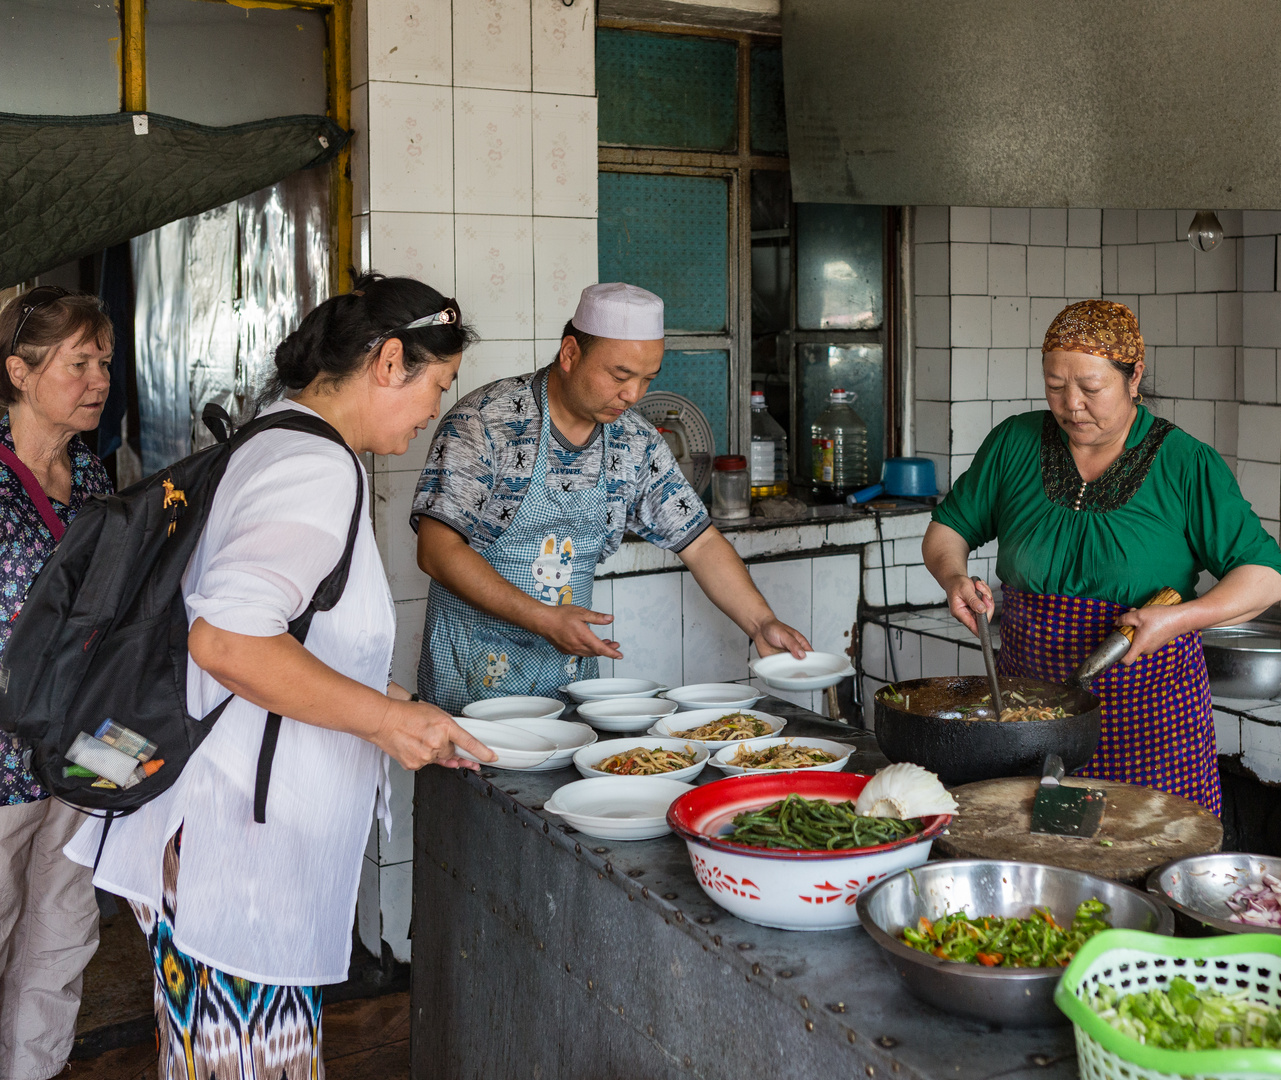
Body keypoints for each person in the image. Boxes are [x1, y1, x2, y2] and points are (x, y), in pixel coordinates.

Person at [65, 274, 495, 1078]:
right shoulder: (314, 467)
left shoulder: (276, 439)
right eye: (436, 386)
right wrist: (386, 724)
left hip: (223, 840)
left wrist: (404, 706)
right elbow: (227, 642)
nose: (433, 409)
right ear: (390, 361)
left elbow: (294, 636)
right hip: (236, 850)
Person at [921, 300, 1281, 815]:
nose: (1071, 405)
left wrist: (1179, 618)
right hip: (1033, 715)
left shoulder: (1184, 462)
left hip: (1150, 722)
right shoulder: (1014, 443)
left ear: (1133, 376)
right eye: (1055, 386)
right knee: (1037, 860)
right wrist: (954, 576)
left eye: (1091, 389)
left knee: (1141, 860)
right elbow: (946, 531)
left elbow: (1266, 578)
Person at [414, 282, 809, 712]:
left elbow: (702, 543)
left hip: (570, 691)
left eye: (647, 380)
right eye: (620, 376)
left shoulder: (635, 441)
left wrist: (761, 621)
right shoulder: (485, 423)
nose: (634, 395)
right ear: (570, 354)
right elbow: (437, 551)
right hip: (469, 691)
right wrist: (545, 620)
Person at [0, 286, 112, 1080]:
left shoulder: (99, 478)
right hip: (0, 762)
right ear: (19, 370)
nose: (99, 379)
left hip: (82, 754)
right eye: (79, 363)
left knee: (62, 937)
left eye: (103, 361)